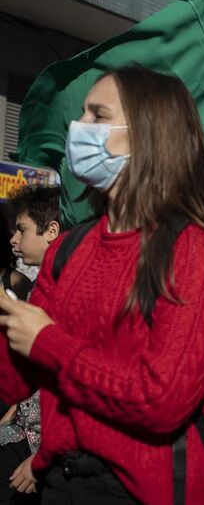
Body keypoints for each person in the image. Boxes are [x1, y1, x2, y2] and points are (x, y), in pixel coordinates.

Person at [0, 66, 204, 504]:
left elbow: (161, 398)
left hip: (147, 492)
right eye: (81, 115)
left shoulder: (193, 251)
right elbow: (19, 373)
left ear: (148, 135)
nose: (78, 129)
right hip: (61, 481)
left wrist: (48, 342)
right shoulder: (69, 250)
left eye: (97, 116)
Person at [0, 186, 60, 504]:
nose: (14, 239)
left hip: (47, 451)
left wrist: (41, 458)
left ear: (51, 231)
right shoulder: (44, 287)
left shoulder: (62, 290)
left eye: (21, 229)